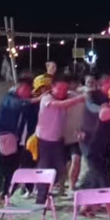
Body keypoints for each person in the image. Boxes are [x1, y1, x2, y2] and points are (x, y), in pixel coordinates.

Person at [32, 75, 86, 203]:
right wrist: (80, 98)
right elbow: (60, 105)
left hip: (58, 140)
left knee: (59, 168)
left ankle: (49, 191)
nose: (63, 92)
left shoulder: (68, 96)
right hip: (44, 140)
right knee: (44, 168)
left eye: (65, 89)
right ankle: (41, 197)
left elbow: (81, 94)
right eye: (60, 89)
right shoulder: (47, 98)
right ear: (52, 87)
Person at [0, 77, 36, 203]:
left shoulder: (24, 101)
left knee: (15, 168)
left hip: (19, 142)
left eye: (29, 89)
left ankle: (6, 194)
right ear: (19, 87)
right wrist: (35, 99)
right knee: (5, 168)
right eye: (26, 89)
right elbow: (15, 105)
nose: (28, 92)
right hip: (3, 141)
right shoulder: (8, 99)